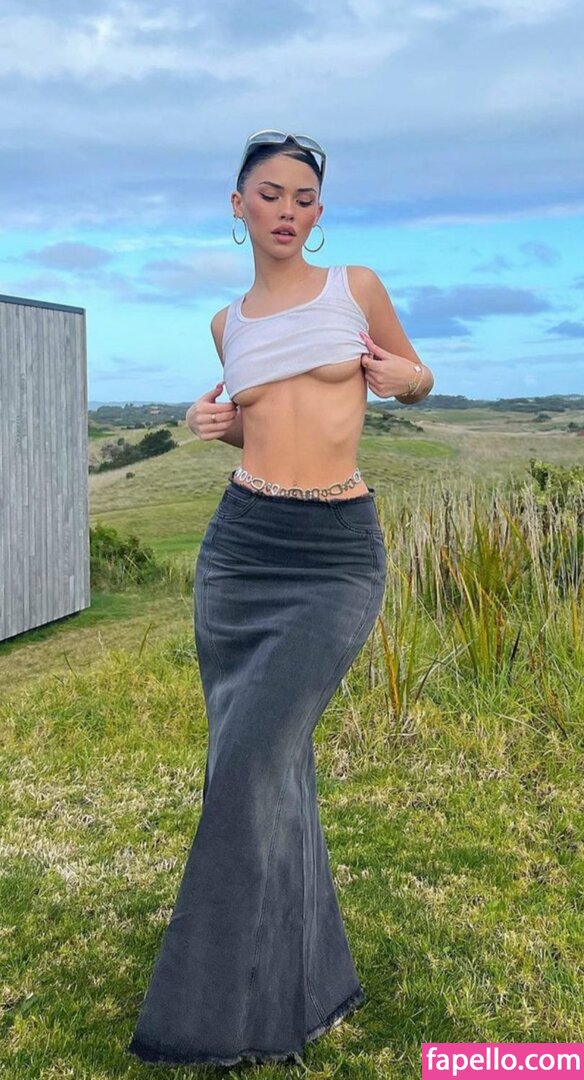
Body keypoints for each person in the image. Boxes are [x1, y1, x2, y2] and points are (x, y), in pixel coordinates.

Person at [126, 131, 434, 1068]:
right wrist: (210, 424)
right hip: (240, 551)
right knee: (267, 768)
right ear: (238, 205)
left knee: (249, 766)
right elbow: (257, 429)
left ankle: (210, 1015)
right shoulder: (228, 324)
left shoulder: (355, 289)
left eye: (304, 197)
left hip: (335, 556)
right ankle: (311, 986)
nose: (288, 211)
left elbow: (414, 380)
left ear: (319, 213)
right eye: (270, 194)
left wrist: (409, 380)